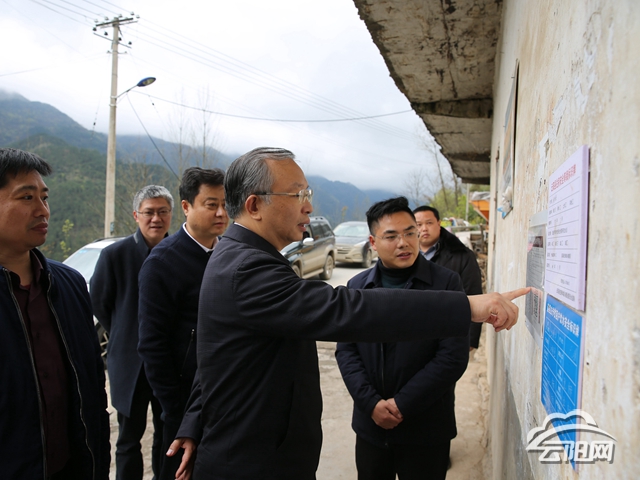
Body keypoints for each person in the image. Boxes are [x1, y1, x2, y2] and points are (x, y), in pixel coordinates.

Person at [176, 147, 527, 480]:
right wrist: (468, 306)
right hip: (253, 462)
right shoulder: (247, 268)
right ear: (255, 205)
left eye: (307, 194)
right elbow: (346, 311)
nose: (309, 206)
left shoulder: (243, 257)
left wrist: (193, 422)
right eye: (298, 195)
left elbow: (216, 356)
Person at [336, 197, 469, 480]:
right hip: (371, 427)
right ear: (373, 242)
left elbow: (452, 356)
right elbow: (346, 351)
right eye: (391, 236)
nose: (403, 243)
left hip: (426, 427)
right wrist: (371, 404)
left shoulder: (446, 284)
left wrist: (402, 405)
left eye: (410, 233)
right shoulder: (357, 287)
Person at [0, 148, 110, 479]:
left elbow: (93, 388)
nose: (43, 210)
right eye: (27, 197)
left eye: (44, 197)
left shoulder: (69, 285)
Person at [138, 167, 228, 480]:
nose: (221, 213)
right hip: (184, 404)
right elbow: (152, 345)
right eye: (211, 204)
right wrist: (176, 411)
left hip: (224, 397)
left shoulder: (229, 255)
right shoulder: (162, 263)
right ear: (187, 207)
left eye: (225, 204)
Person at [91, 185, 174, 480]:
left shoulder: (178, 253)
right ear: (136, 215)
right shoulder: (115, 255)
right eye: (149, 212)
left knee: (168, 435)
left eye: (162, 212)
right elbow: (100, 302)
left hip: (170, 361)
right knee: (128, 439)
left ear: (171, 215)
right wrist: (125, 332)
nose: (156, 218)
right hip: (129, 362)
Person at [414, 205, 484, 350]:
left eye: (429, 223)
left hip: (449, 336)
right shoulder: (405, 257)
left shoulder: (462, 255)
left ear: (439, 224)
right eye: (418, 225)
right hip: (413, 336)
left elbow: (474, 295)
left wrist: (470, 341)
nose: (424, 229)